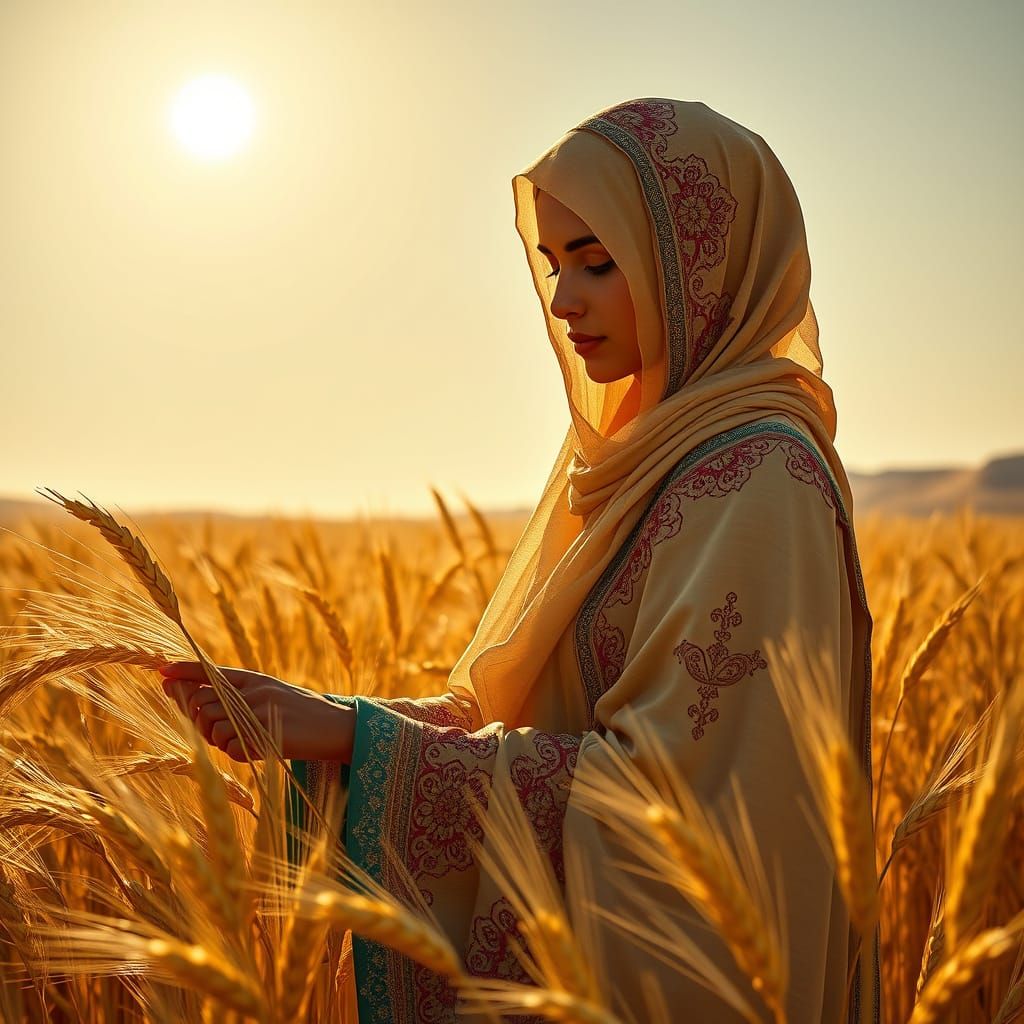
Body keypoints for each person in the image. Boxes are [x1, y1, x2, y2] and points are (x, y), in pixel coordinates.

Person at [160, 97, 882, 1022]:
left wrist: (359, 746)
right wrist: (344, 721)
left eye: (597, 262)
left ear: (697, 266)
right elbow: (547, 719)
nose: (563, 299)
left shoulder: (759, 478)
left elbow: (680, 820)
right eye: (552, 265)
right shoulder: (649, 461)